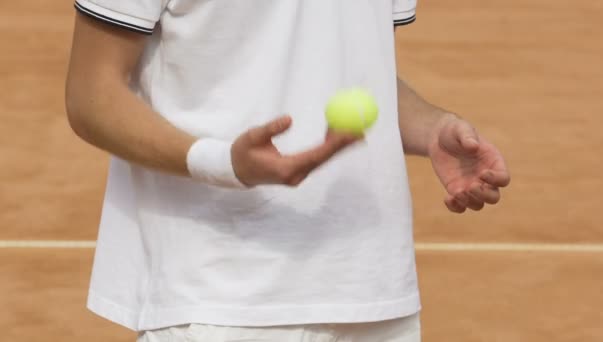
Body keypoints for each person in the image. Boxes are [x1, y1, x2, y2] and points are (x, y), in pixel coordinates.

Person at [65, 0, 510, 341]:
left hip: (372, 295)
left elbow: (345, 65)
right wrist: (223, 163)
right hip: (224, 298)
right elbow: (91, 94)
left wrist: (431, 127)